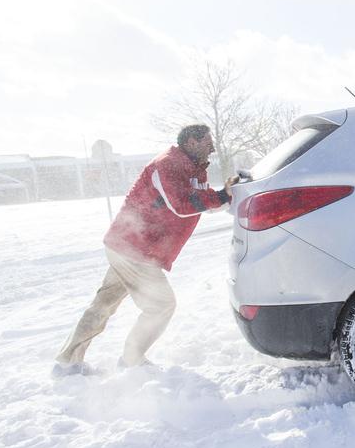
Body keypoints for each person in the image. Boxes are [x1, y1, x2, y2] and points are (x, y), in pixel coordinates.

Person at [53, 124, 238, 376]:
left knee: (103, 305)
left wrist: (227, 196)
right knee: (161, 305)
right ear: (192, 142)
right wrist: (219, 197)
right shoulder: (167, 164)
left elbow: (203, 204)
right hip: (135, 249)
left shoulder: (195, 170)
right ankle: (131, 360)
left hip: (130, 248)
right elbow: (181, 206)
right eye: (208, 142)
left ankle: (67, 362)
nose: (213, 147)